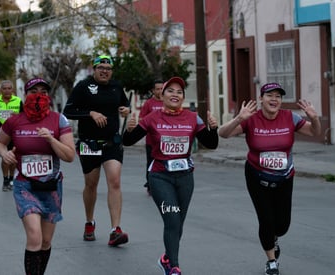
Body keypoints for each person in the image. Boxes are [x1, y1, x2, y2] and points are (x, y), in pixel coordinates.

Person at [218, 82, 321, 275]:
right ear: (261, 99)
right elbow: (223, 134)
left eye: (278, 96)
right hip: (256, 176)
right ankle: (271, 261)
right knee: (266, 220)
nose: (274, 100)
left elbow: (315, 132)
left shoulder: (290, 117)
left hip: (284, 177)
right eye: (269, 95)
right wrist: (238, 118)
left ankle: (273, 238)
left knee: (281, 225)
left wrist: (314, 119)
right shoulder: (251, 119)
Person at [123, 77, 219, 275]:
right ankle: (173, 266)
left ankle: (167, 257)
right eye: (170, 91)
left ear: (182, 97)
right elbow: (128, 141)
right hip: (160, 177)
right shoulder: (152, 118)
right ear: (162, 95)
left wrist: (214, 128)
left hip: (185, 178)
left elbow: (211, 144)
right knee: (172, 220)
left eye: (179, 92)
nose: (175, 94)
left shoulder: (193, 117)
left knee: (178, 223)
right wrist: (129, 129)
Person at [0, 77, 75, 274]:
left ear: (49, 96)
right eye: (34, 91)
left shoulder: (58, 119)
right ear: (25, 95)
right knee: (35, 237)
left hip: (51, 186)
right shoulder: (15, 120)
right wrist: (5, 154)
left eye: (43, 92)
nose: (39, 95)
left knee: (46, 241)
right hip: (25, 186)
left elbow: (70, 155)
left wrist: (51, 139)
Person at [63, 55, 131, 246]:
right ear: (94, 69)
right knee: (91, 184)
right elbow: (68, 111)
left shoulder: (116, 87)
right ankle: (89, 222)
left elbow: (125, 105)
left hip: (112, 142)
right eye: (100, 67)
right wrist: (90, 113)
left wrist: (126, 110)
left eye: (108, 68)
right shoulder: (83, 86)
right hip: (89, 143)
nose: (104, 71)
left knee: (115, 181)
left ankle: (115, 230)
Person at [0, 80, 23, 191]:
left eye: (9, 88)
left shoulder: (18, 101)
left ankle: (12, 179)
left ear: (12, 90)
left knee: (13, 158)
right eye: (4, 88)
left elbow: (24, 115)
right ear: (0, 90)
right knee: (5, 157)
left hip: (14, 133)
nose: (7, 91)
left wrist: (18, 116)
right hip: (1, 134)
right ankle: (5, 180)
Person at [138, 79, 164, 194]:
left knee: (163, 163)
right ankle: (150, 184)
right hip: (151, 141)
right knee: (151, 163)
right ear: (153, 90)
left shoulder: (167, 102)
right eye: (157, 89)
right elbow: (141, 119)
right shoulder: (149, 103)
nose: (160, 91)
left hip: (165, 140)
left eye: (162, 88)